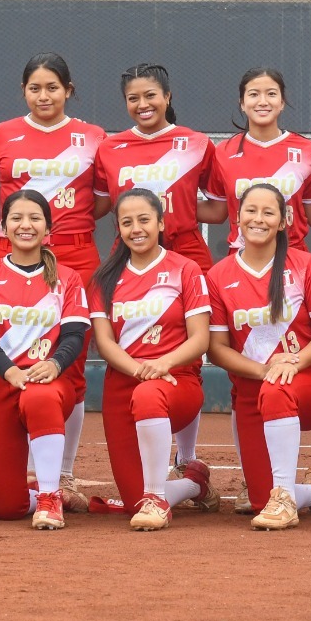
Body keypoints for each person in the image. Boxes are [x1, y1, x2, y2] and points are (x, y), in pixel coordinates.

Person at [93, 63, 221, 480]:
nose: (143, 104)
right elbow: (99, 204)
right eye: (133, 98)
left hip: (185, 249)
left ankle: (186, 459)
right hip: (129, 253)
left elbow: (219, 206)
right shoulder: (109, 147)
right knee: (131, 339)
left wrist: (178, 212)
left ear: (167, 97)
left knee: (189, 354)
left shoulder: (197, 143)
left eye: (151, 95)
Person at [0, 52, 104, 513]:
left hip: (74, 249)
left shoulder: (93, 137)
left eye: (52, 87)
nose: (44, 96)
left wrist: (62, 229)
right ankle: (14, 466)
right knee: (11, 348)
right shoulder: (2, 134)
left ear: (69, 90)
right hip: (9, 250)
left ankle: (63, 474)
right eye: (35, 88)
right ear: (23, 92)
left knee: (68, 362)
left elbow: (100, 200)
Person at [207, 184, 311, 530]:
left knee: (277, 390)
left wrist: (293, 362)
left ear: (283, 221)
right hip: (252, 391)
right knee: (261, 498)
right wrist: (263, 370)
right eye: (250, 211)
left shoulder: (306, 264)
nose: (258, 219)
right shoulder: (218, 274)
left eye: (268, 212)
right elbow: (216, 349)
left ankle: (286, 500)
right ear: (237, 217)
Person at [88, 189, 218, 531]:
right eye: (126, 222)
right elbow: (104, 342)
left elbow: (201, 338)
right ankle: (194, 483)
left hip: (177, 380)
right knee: (135, 500)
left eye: (144, 220)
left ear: (160, 223)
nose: (136, 229)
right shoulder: (104, 279)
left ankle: (158, 499)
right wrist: (140, 370)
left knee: (149, 395)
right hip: (122, 383)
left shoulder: (186, 269)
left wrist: (162, 365)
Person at [0, 191, 91, 529]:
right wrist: (8, 371)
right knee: (5, 507)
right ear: (3, 226)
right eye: (16, 218)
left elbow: (75, 335)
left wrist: (55, 365)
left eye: (35, 218)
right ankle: (39, 496)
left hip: (44, 381)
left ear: (48, 228)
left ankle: (50, 496)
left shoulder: (69, 277)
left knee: (40, 395)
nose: (25, 225)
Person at [205, 67, 311, 253]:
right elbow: (217, 211)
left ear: (282, 102)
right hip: (242, 258)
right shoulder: (224, 152)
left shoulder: (306, 151)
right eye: (253, 94)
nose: (262, 101)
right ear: (242, 103)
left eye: (271, 94)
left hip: (292, 256)